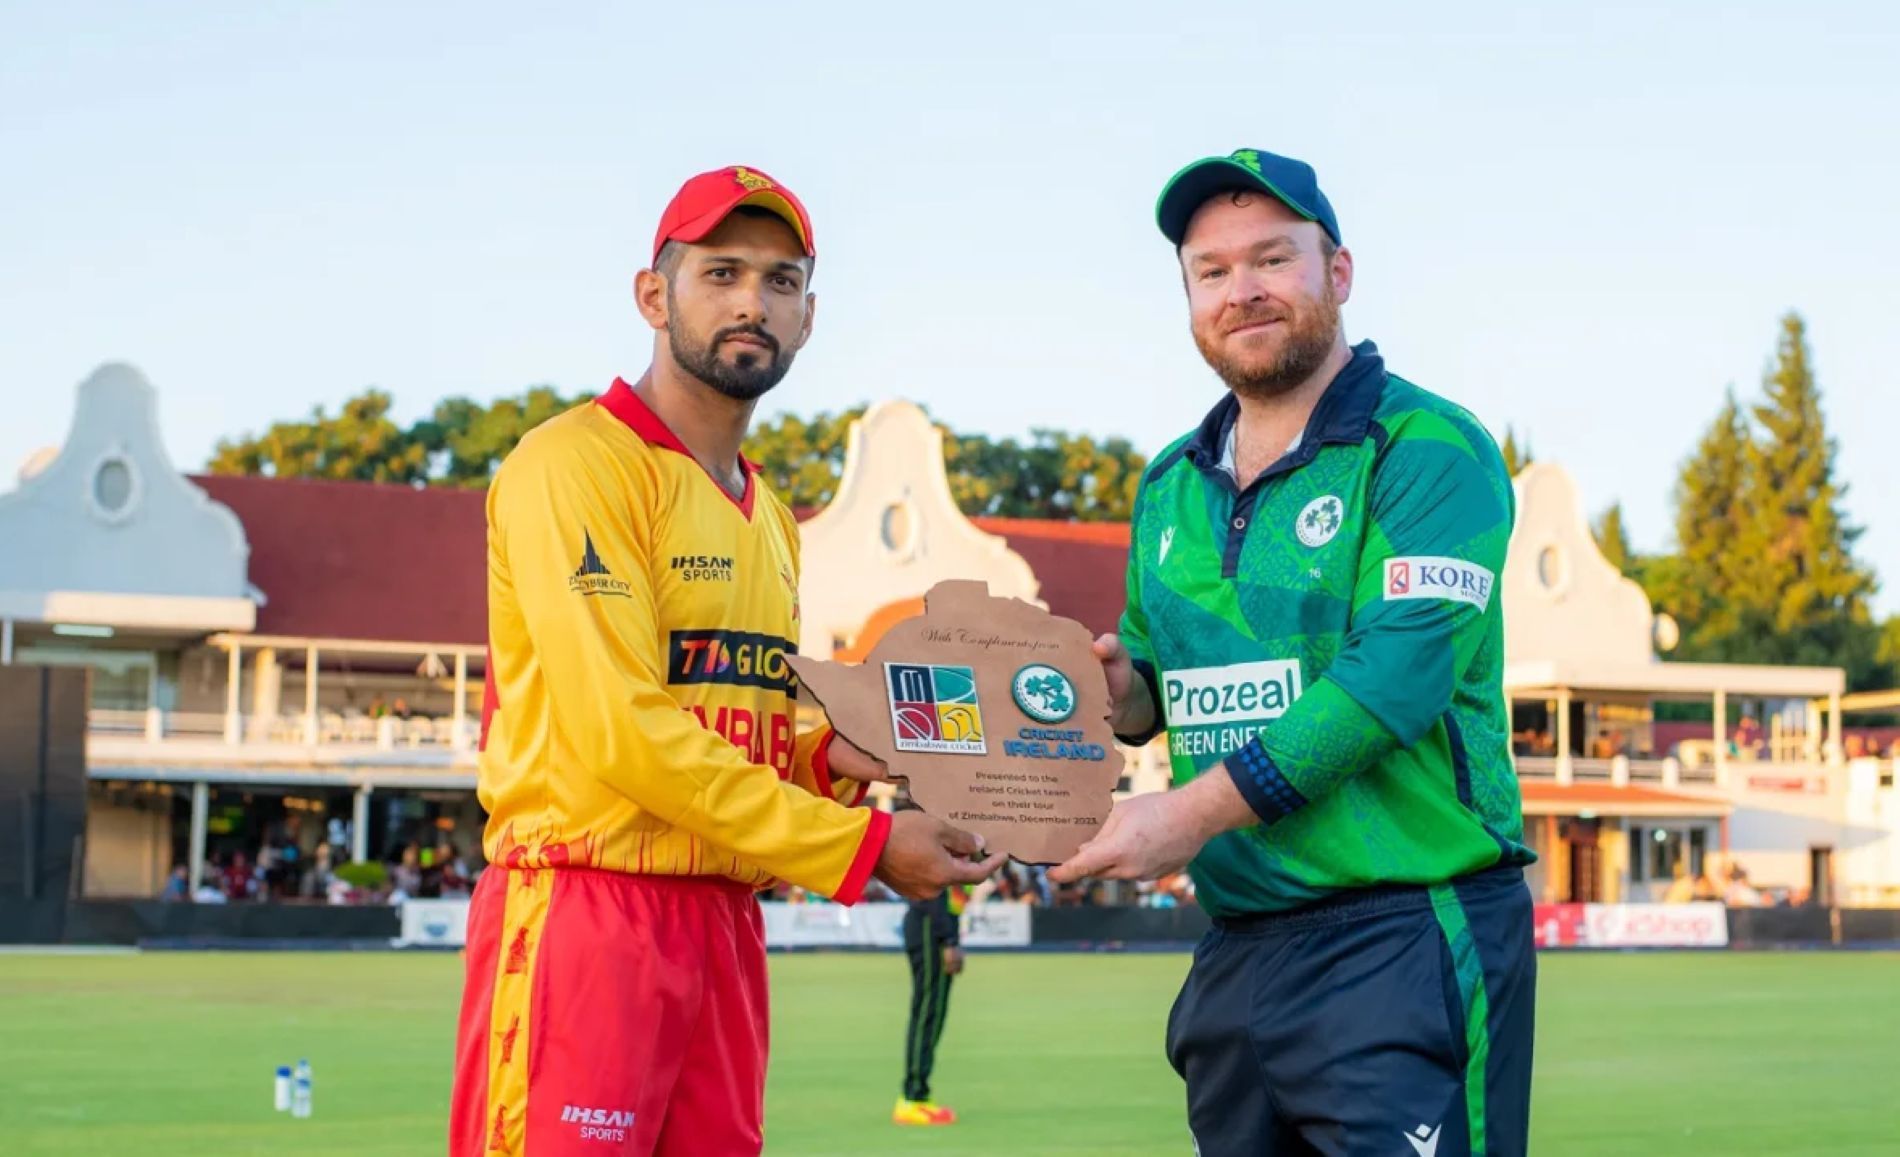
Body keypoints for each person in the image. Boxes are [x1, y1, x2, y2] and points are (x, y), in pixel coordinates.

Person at [449, 165, 1001, 1157]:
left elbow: (741, 721)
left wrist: (847, 752)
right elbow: (624, 729)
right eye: (723, 272)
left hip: (726, 929)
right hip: (587, 909)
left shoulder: (771, 515)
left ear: (809, 315)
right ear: (653, 295)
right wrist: (865, 849)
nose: (754, 301)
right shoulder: (574, 464)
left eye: (782, 281)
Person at [1051, 148, 1538, 1156]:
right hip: (1237, 951)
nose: (1244, 291)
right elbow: (1154, 680)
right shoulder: (1169, 485)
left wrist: (1182, 816)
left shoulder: (1429, 447)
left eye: (1272, 259)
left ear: (1339, 272)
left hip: (1406, 931)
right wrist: (1115, 686)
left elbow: (1389, 684)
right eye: (1212, 271)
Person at [894, 792, 967, 1127]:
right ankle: (913, 1097)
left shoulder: (946, 827)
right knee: (927, 1012)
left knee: (931, 1013)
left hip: (933, 926)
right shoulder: (933, 827)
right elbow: (932, 890)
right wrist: (949, 941)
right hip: (929, 927)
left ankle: (917, 1093)